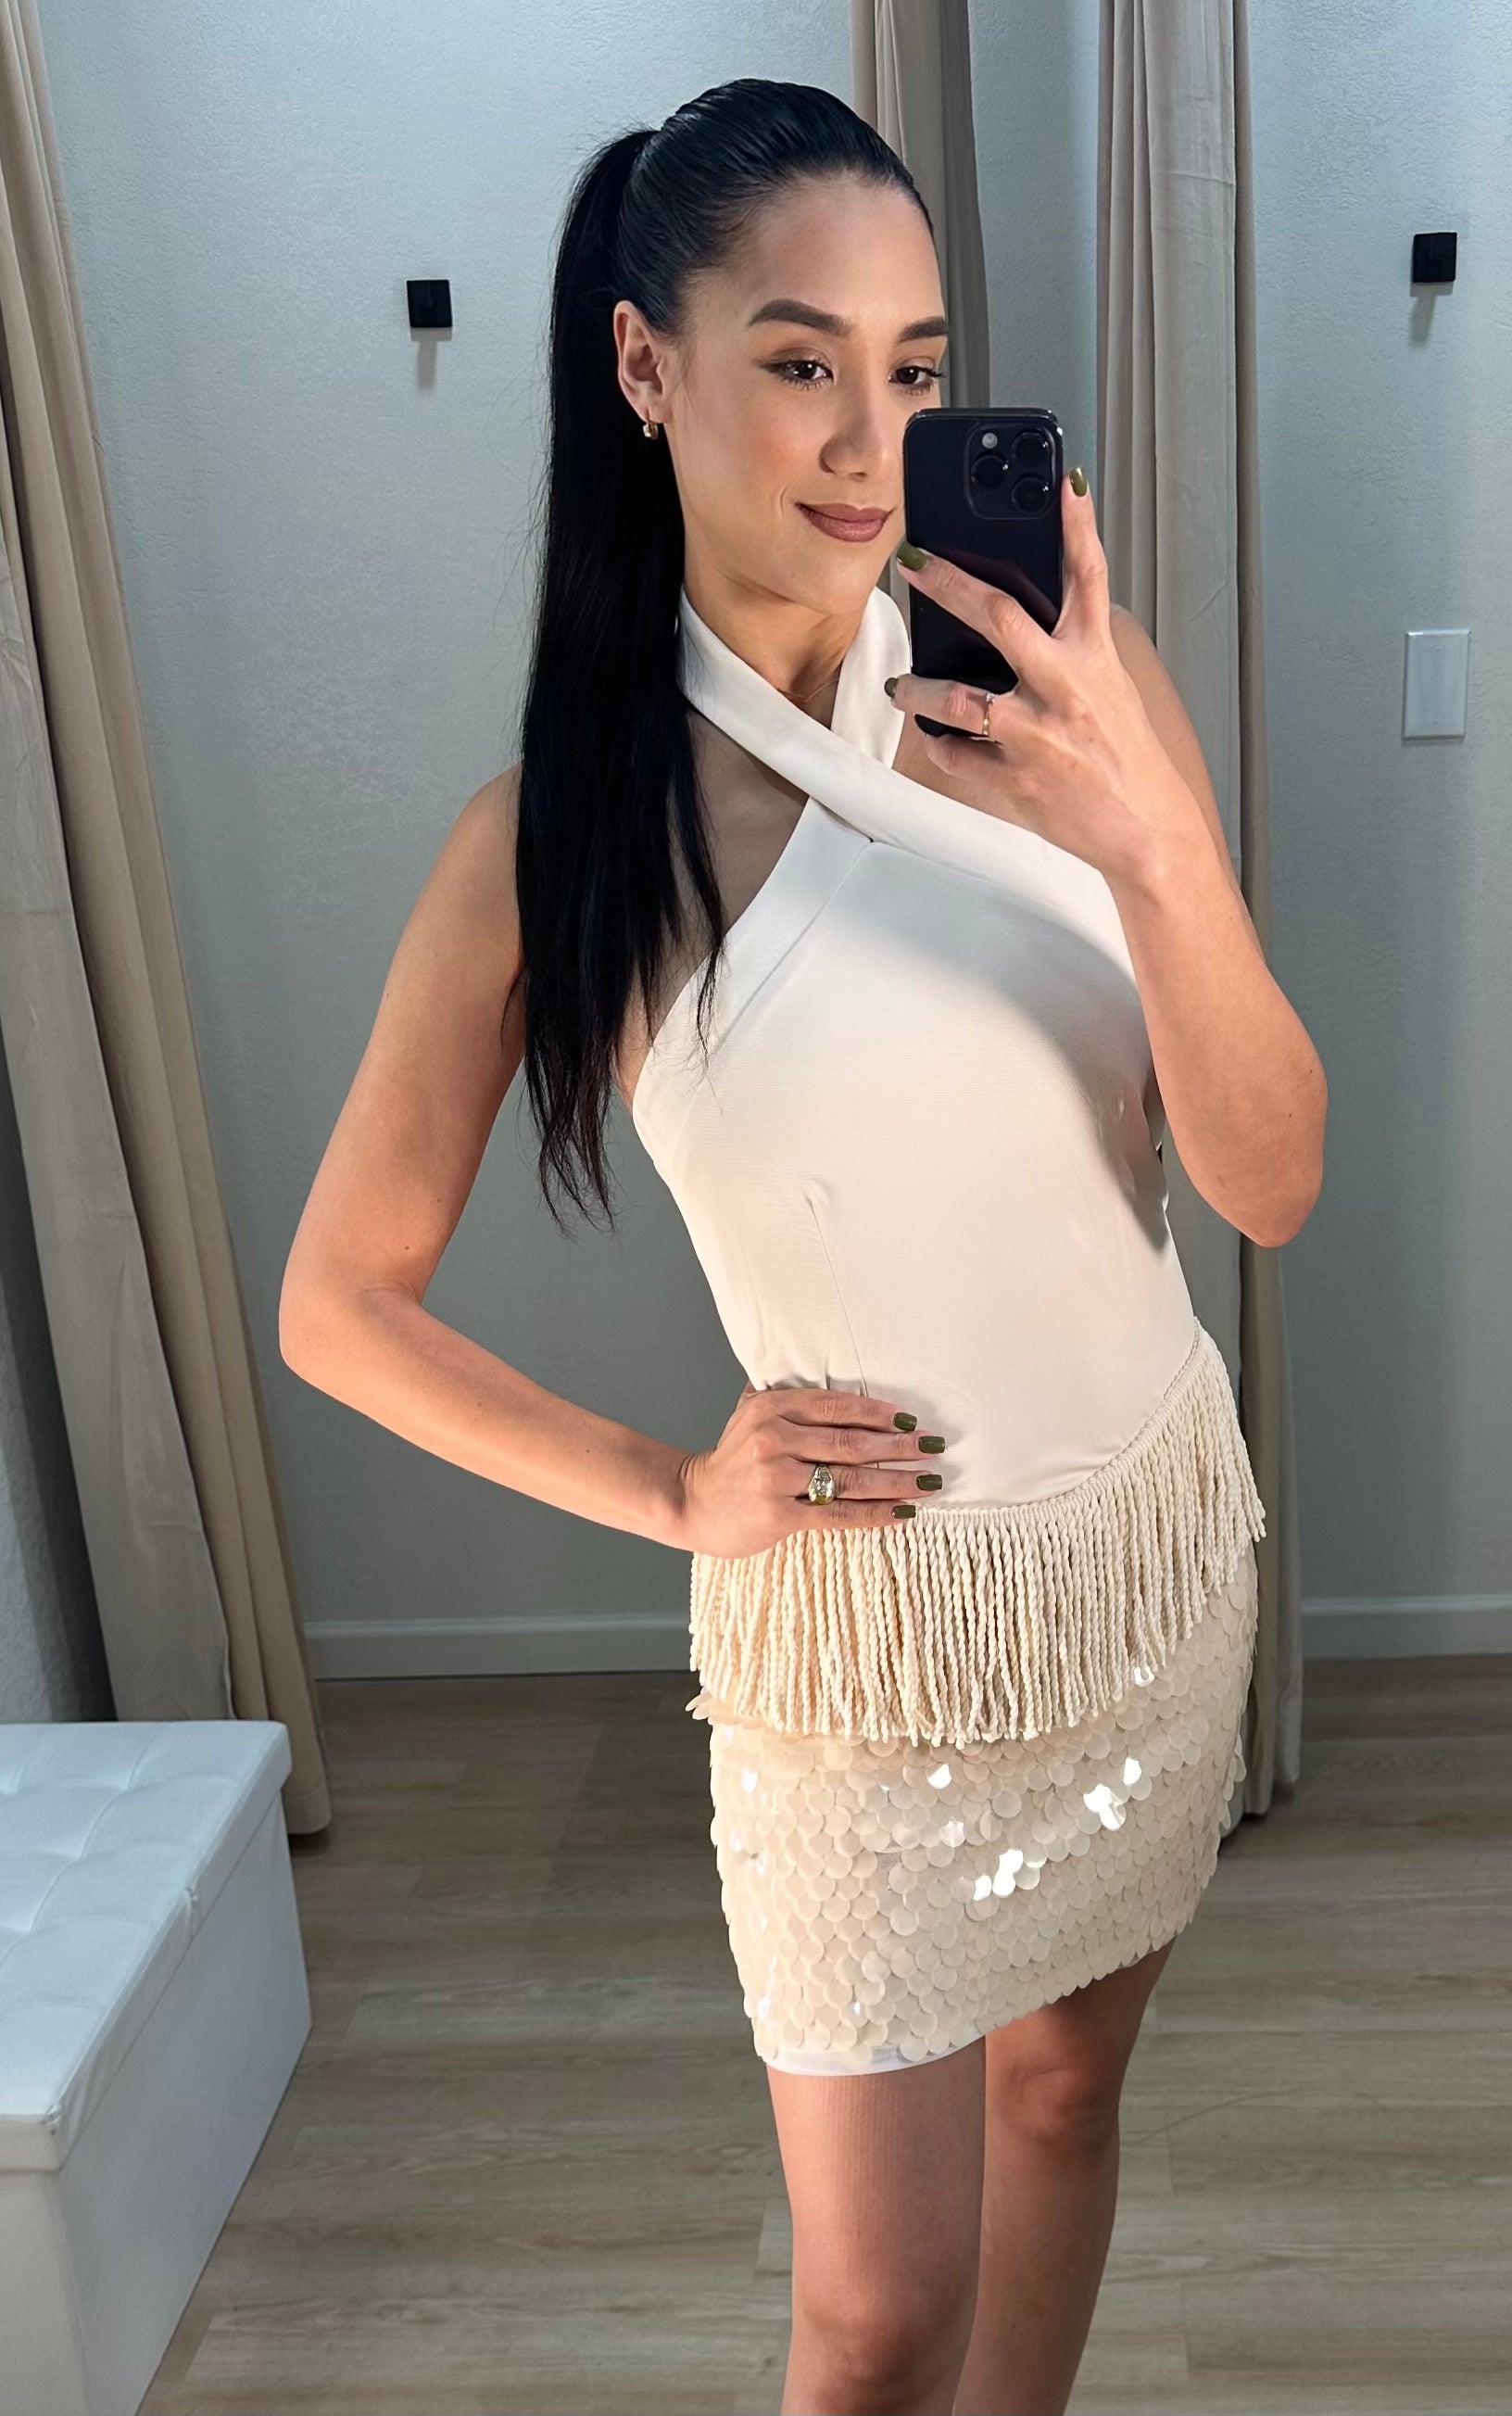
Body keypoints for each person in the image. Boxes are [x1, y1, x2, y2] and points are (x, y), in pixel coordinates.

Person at [280, 76, 1326, 2416]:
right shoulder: (557, 843)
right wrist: (671, 1487)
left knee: (1066, 2097)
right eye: (797, 360)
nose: (870, 443)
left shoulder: (1070, 689)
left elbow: (1264, 1179)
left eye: (914, 367)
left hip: (1148, 1554)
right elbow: (333, 1300)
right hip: (865, 1655)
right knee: (868, 2315)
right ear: (643, 366)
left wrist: (1152, 844)